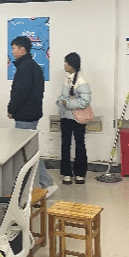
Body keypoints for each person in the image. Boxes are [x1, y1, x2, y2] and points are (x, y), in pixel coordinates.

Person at [8, 35, 57, 196]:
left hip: (25, 116)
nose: (12, 52)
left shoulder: (25, 68)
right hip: (31, 114)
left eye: (14, 49)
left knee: (29, 153)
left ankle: (48, 184)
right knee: (28, 152)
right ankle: (33, 184)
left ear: (22, 50)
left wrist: (11, 109)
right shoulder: (33, 66)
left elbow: (19, 93)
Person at [56, 52, 91, 185]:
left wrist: (68, 104)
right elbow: (64, 96)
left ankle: (80, 174)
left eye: (65, 63)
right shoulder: (67, 78)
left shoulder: (82, 81)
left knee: (80, 145)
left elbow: (85, 101)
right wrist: (60, 101)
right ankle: (66, 174)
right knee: (65, 145)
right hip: (66, 117)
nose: (64, 65)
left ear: (71, 65)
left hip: (77, 118)